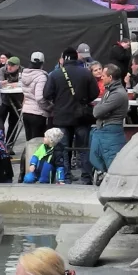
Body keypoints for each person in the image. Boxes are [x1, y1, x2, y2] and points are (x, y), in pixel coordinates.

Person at [47, 47, 98, 184]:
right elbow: (95, 92)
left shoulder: (55, 74)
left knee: (63, 148)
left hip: (61, 117)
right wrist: (83, 101)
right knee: (83, 148)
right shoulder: (86, 73)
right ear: (76, 57)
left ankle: (65, 177)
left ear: (64, 59)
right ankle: (86, 177)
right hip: (81, 117)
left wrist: (59, 101)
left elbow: (46, 94)